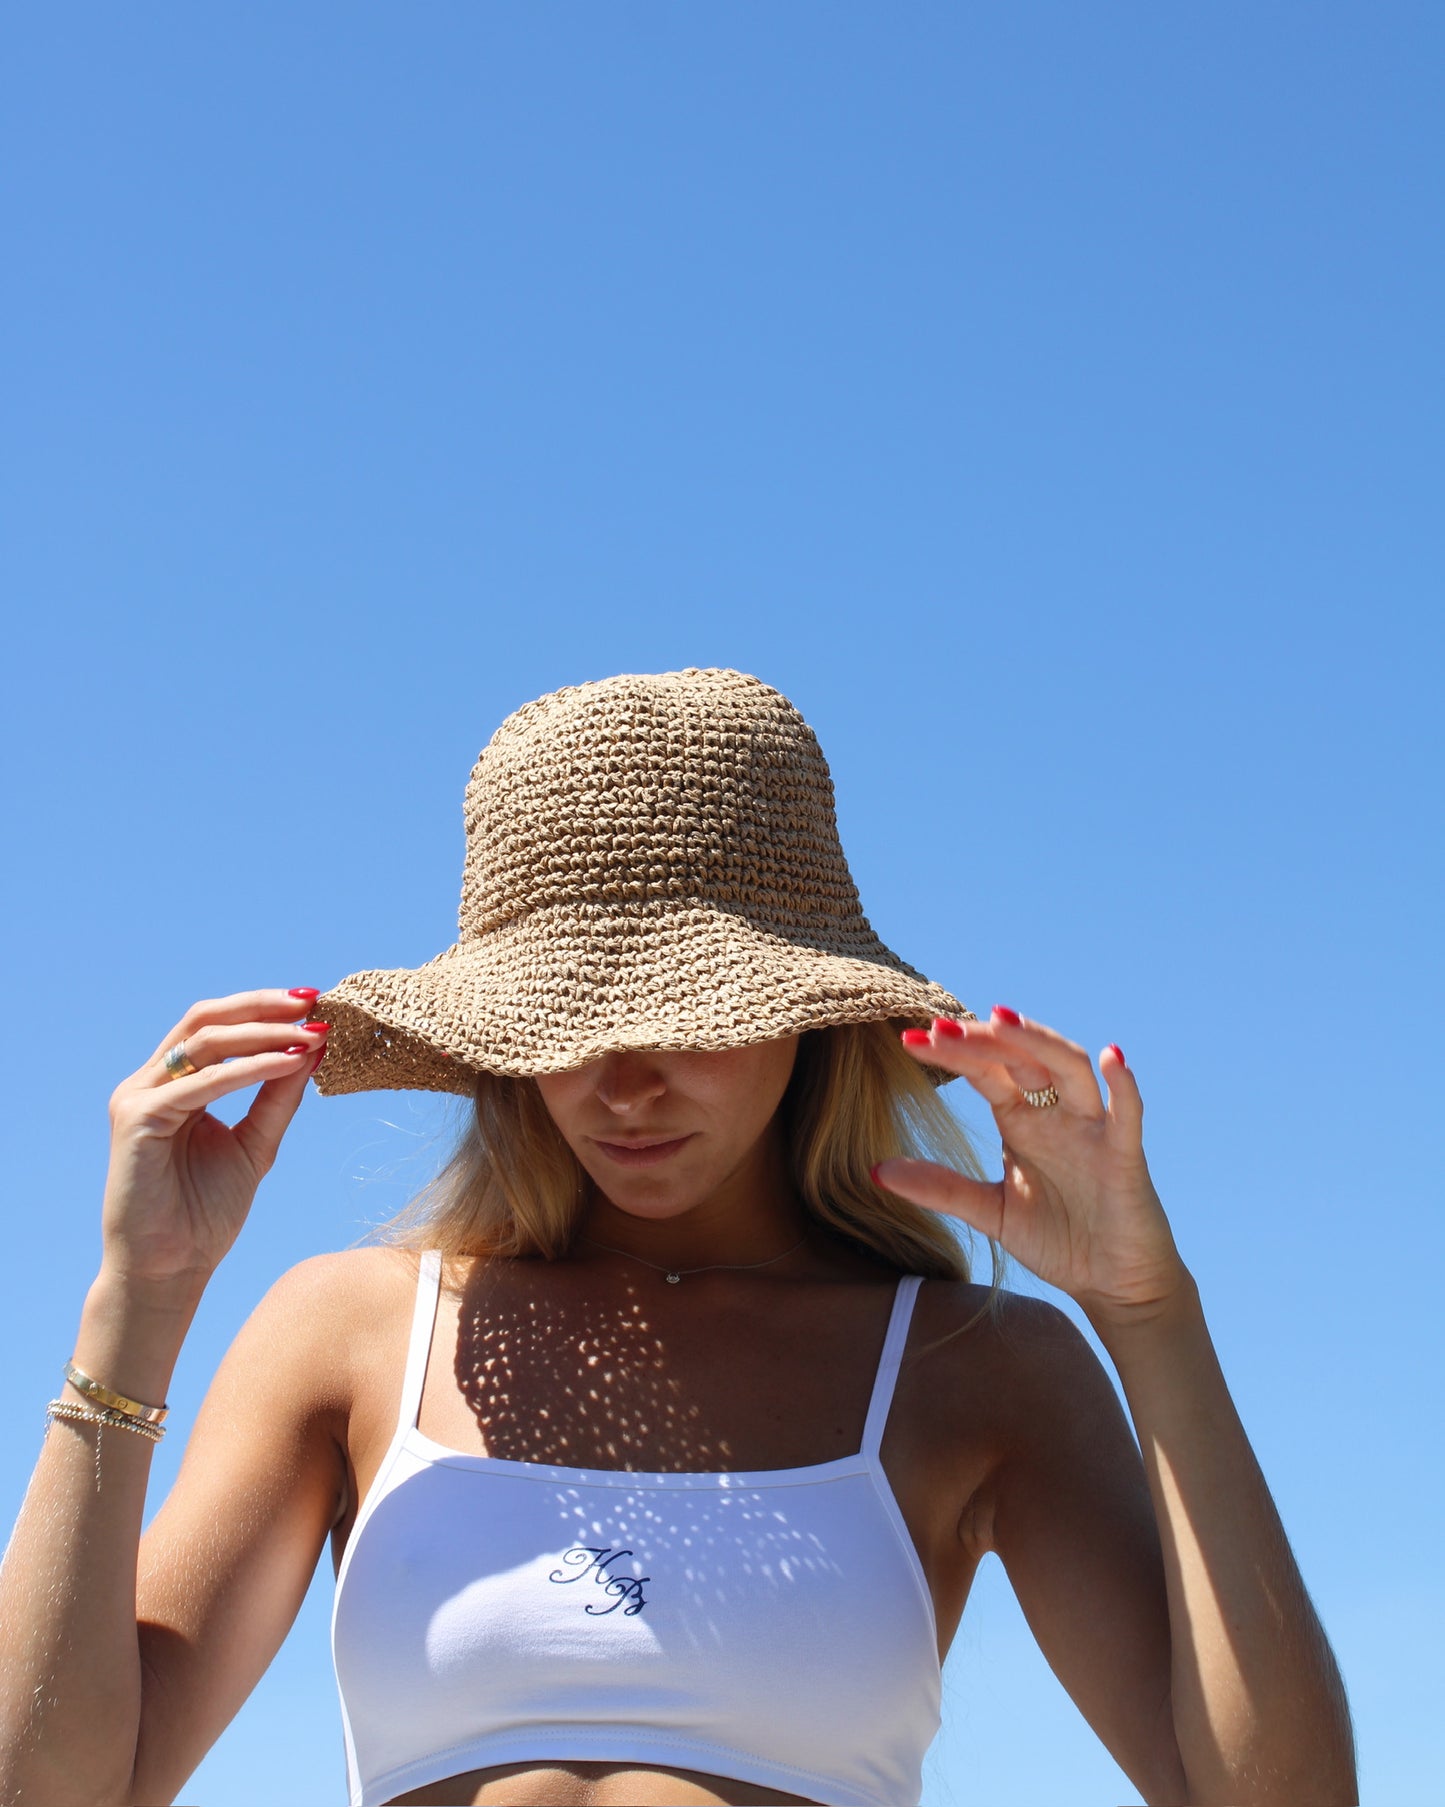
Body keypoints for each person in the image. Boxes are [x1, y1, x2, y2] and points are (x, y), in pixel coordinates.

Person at [0, 668, 1355, 1807]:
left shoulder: (978, 1364)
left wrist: (1145, 1312)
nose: (624, 1078)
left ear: (805, 1016)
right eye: (565, 1022)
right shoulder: (349, 1329)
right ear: (501, 1049)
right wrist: (141, 1295)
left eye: (693, 1012)